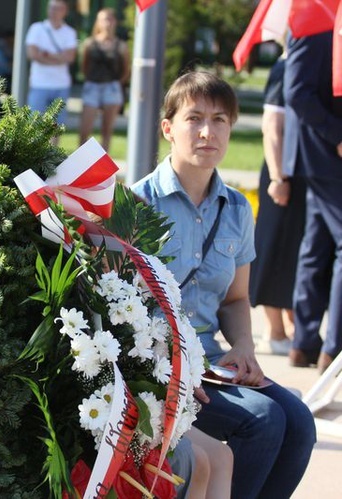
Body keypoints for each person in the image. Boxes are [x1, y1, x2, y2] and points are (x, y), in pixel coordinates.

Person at [131, 71, 316, 499]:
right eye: (193, 118)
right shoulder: (137, 205)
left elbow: (235, 298)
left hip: (213, 363)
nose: (206, 131)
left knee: (300, 423)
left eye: (219, 120)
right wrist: (165, 366)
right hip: (158, 368)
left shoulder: (237, 208)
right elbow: (118, 307)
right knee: (263, 420)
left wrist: (245, 346)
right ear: (168, 129)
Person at [285, 30, 342, 372]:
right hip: (325, 152)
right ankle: (333, 350)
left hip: (323, 155)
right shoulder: (313, 20)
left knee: (316, 246)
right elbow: (297, 93)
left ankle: (305, 344)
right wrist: (337, 135)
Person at [248, 53, 306, 356]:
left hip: (301, 173)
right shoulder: (285, 66)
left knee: (296, 252)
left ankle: (294, 327)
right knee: (276, 250)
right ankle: (275, 331)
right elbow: (272, 126)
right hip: (281, 174)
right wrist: (277, 176)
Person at [24, 0, 77, 144]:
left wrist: (46, 54)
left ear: (65, 11)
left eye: (58, 8)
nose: (54, 11)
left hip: (61, 84)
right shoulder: (37, 28)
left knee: (56, 126)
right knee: (34, 123)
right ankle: (34, 157)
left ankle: (52, 158)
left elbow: (70, 57)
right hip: (39, 84)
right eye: (52, 8)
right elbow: (32, 54)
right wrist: (59, 58)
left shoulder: (69, 32)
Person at [78, 8, 129, 151]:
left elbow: (126, 70)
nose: (107, 23)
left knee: (107, 130)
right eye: (103, 19)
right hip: (93, 85)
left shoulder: (121, 46)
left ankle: (103, 163)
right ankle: (80, 162)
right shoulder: (90, 43)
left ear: (114, 22)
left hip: (111, 87)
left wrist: (117, 84)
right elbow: (84, 66)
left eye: (109, 19)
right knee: (85, 128)